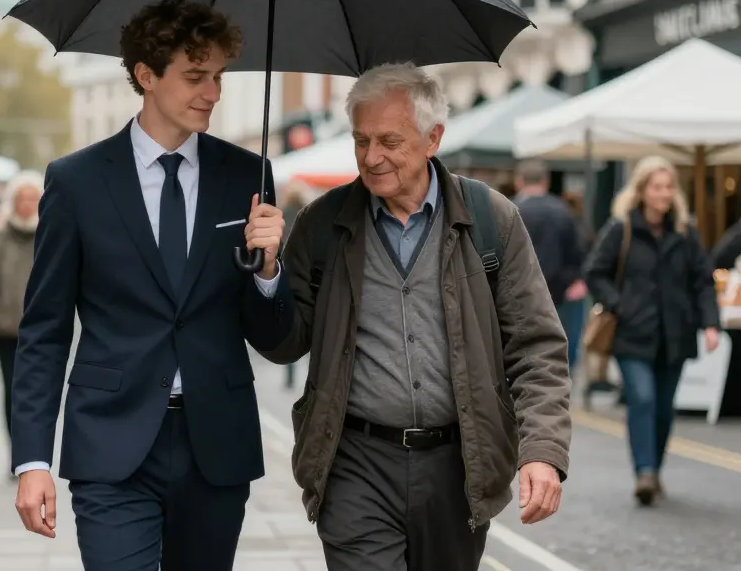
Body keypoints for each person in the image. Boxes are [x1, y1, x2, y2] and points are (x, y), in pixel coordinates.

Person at [11, 0, 290, 571]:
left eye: (218, 77)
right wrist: (31, 459)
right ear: (145, 76)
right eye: (195, 76)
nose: (212, 92)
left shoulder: (248, 176)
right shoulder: (76, 182)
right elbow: (44, 329)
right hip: (110, 442)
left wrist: (267, 269)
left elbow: (271, 336)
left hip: (216, 443)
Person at [261, 63, 572, 571]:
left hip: (458, 466)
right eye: (361, 140)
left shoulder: (492, 220)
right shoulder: (322, 225)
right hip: (354, 463)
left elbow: (537, 345)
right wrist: (267, 276)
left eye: (389, 140)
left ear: (433, 138)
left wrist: (543, 450)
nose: (371, 156)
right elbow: (283, 343)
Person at [583, 155, 720, 506]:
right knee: (642, 399)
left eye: (669, 187)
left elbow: (703, 282)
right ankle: (644, 471)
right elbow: (595, 272)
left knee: (662, 408)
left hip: (675, 335)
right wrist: (618, 304)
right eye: (657, 187)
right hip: (632, 333)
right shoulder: (622, 228)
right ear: (642, 190)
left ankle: (654, 469)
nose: (664, 193)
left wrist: (710, 324)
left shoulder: (685, 232)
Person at [0, 170, 44, 471]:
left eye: (34, 198)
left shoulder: (51, 231)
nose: (28, 204)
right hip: (5, 327)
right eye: (23, 198)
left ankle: (32, 453)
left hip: (43, 329)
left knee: (37, 391)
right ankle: (17, 450)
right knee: (12, 389)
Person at [513, 159, 589, 368]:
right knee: (557, 355)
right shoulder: (563, 211)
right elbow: (578, 252)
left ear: (519, 181)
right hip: (560, 294)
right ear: (545, 181)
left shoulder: (510, 211)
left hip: (519, 295)